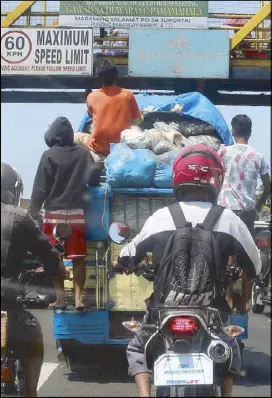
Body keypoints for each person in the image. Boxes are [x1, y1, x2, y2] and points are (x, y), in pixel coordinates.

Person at [114, 145, 262, 397]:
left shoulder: (161, 217)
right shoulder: (228, 219)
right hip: (211, 311)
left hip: (164, 310)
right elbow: (255, 265)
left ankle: (144, 395)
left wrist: (121, 265)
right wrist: (244, 273)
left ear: (177, 177)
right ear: (216, 179)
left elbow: (129, 254)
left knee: (138, 349)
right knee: (230, 350)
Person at [1, 162, 64, 397]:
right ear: (13, 191)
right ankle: (29, 393)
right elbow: (48, 253)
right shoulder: (18, 217)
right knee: (34, 333)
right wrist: (59, 271)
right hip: (7, 304)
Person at [28, 116, 101, 310]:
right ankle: (78, 299)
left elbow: (40, 188)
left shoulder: (49, 155)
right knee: (78, 258)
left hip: (53, 215)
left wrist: (32, 212)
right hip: (76, 214)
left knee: (54, 258)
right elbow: (94, 179)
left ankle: (60, 299)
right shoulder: (84, 154)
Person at [217, 114, 271, 310]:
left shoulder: (223, 153)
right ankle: (245, 300)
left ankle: (228, 296)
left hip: (224, 211)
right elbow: (268, 185)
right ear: (250, 133)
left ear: (232, 131)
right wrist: (259, 204)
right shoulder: (258, 156)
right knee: (246, 253)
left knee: (225, 254)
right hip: (247, 212)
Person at [75, 59, 143, 161]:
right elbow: (137, 120)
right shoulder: (128, 94)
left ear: (98, 78)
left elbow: (90, 116)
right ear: (116, 76)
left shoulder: (91, 97)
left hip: (99, 147)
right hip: (122, 146)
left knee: (75, 136)